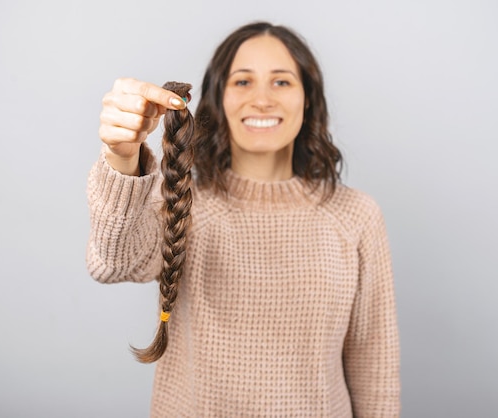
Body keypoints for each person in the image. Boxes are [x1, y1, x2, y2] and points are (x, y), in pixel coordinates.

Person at [87, 21, 400, 417]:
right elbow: (112, 263)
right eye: (243, 82)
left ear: (308, 100)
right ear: (219, 100)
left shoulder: (356, 216)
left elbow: (375, 370)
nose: (263, 100)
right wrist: (121, 155)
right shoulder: (185, 204)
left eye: (282, 82)